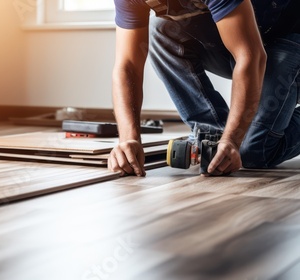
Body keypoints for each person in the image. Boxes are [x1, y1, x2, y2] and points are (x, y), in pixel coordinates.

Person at [109, 0, 300, 176]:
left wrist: (233, 140)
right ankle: (213, 133)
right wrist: (128, 139)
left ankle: (231, 142)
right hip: (256, 36)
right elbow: (128, 66)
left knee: (255, 150)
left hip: (290, 36)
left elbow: (251, 57)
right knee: (160, 30)